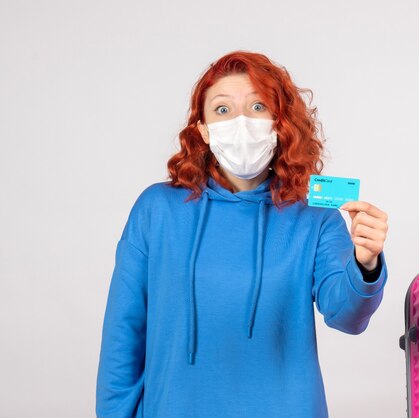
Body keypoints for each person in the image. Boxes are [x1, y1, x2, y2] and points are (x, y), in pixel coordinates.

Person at [95, 50, 389, 418]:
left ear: (280, 122)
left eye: (257, 107)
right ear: (202, 128)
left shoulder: (314, 214)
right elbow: (124, 330)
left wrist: (366, 263)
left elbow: (347, 316)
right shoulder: (157, 209)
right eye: (222, 110)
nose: (241, 123)